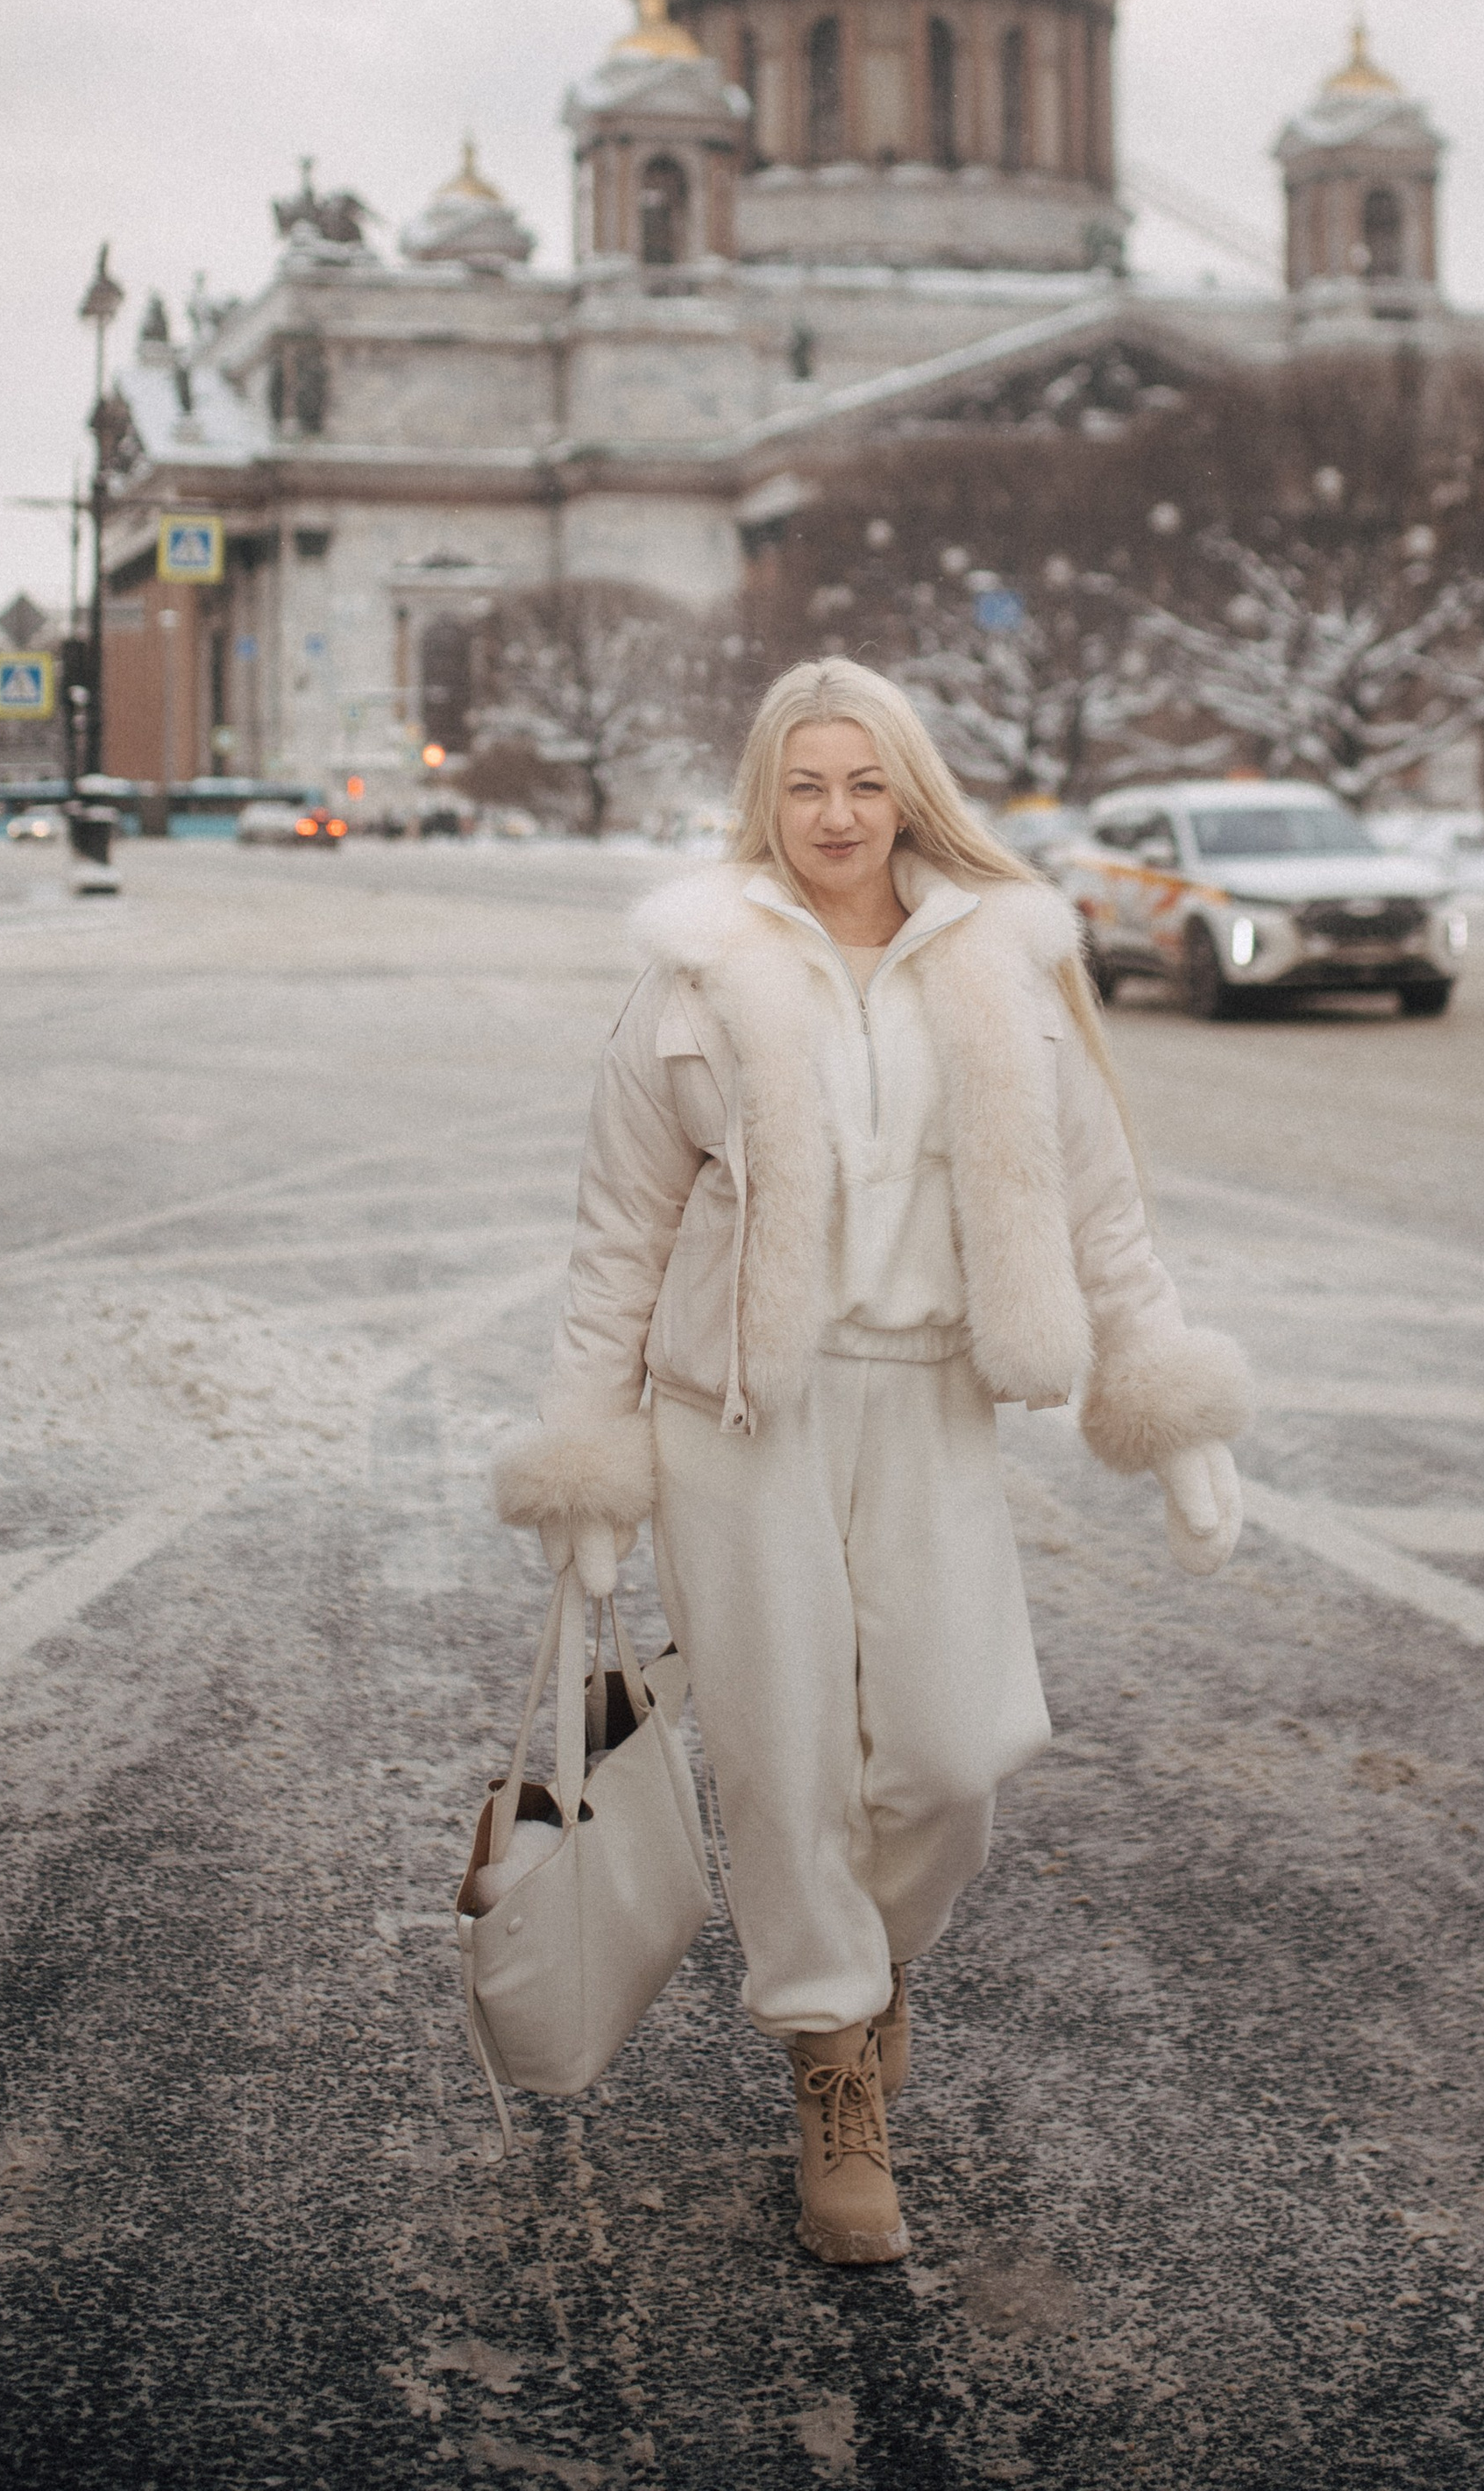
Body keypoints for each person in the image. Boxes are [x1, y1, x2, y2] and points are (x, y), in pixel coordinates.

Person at [494, 658, 1249, 2269]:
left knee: (952, 1757)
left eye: (865, 783)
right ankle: (832, 2062)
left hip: (924, 1399)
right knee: (781, 1754)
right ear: (764, 796)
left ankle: (875, 1958)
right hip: (738, 1415)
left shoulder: (1003, 967)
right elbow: (618, 1236)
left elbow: (1102, 1213)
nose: (836, 817)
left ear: (911, 791)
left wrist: (1169, 1415)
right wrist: (588, 1461)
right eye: (804, 785)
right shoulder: (694, 976)